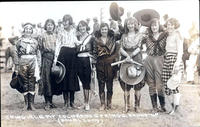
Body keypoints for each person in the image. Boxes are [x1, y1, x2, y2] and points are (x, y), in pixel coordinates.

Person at [119, 17, 145, 113]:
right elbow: (121, 48)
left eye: (132, 24)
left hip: (136, 58)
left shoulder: (140, 35)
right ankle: (127, 106)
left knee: (137, 82)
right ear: (126, 25)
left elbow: (139, 47)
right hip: (125, 59)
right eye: (129, 24)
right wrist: (127, 56)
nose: (130, 26)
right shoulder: (123, 35)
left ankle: (137, 106)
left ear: (135, 25)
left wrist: (132, 55)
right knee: (126, 82)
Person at [54, 14, 81, 109]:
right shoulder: (60, 32)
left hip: (73, 55)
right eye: (63, 21)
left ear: (70, 22)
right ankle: (65, 102)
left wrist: (83, 42)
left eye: (66, 21)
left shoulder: (74, 31)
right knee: (64, 78)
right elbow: (58, 45)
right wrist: (55, 58)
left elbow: (76, 42)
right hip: (63, 55)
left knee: (72, 78)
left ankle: (72, 102)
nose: (64, 23)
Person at [94, 22, 122, 110]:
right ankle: (102, 104)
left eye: (106, 29)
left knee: (110, 83)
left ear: (108, 29)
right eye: (102, 29)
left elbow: (121, 33)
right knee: (101, 83)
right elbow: (94, 52)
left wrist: (119, 22)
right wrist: (95, 62)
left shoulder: (113, 38)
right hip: (100, 63)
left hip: (110, 63)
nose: (104, 31)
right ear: (100, 30)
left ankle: (109, 103)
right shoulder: (96, 40)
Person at [143, 18, 168, 112]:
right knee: (151, 83)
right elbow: (139, 44)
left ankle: (162, 105)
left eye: (155, 25)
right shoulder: (147, 37)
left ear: (159, 26)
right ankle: (154, 106)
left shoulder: (164, 35)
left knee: (159, 84)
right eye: (152, 25)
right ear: (150, 27)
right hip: (149, 60)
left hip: (160, 59)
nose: (154, 27)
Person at [15, 22, 41, 110]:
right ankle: (26, 104)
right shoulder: (19, 41)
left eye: (30, 29)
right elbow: (16, 53)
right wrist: (17, 65)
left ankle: (32, 104)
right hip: (23, 61)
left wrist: (39, 64)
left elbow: (38, 53)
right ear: (24, 30)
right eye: (27, 29)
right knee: (24, 81)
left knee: (32, 81)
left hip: (33, 61)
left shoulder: (35, 42)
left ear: (32, 31)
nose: (28, 31)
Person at [38, 19, 62, 110]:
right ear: (46, 26)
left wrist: (56, 59)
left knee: (52, 80)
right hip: (45, 58)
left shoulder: (56, 36)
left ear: (54, 26)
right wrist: (40, 62)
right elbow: (39, 49)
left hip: (54, 59)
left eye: (51, 25)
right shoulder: (42, 36)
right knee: (46, 79)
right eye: (48, 25)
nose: (50, 26)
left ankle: (51, 102)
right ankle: (47, 102)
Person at [161, 18, 184, 115]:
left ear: (175, 25)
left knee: (174, 84)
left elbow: (180, 51)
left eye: (171, 24)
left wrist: (177, 65)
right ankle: (173, 106)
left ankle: (175, 107)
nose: (169, 26)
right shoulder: (167, 36)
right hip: (167, 60)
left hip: (174, 61)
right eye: (168, 25)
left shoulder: (177, 35)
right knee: (166, 84)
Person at [76, 20, 95, 111]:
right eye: (80, 26)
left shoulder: (91, 37)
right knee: (83, 81)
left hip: (87, 60)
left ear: (86, 27)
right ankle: (84, 102)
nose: (81, 28)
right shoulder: (77, 37)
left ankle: (87, 103)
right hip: (78, 60)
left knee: (87, 81)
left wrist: (92, 59)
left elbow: (95, 50)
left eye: (83, 26)